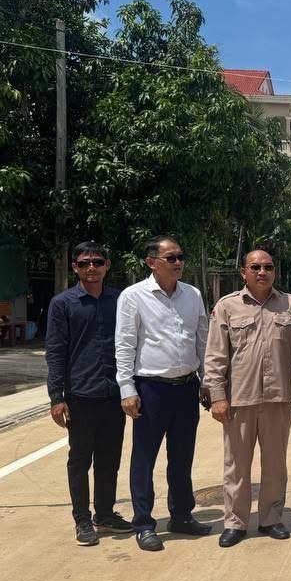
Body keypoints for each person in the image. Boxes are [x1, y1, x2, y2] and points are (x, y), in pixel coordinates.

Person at [203, 248, 291, 548]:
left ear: (275, 271)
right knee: (236, 465)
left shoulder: (290, 305)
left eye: (268, 267)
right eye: (255, 267)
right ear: (243, 272)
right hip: (239, 400)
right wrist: (217, 396)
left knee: (275, 464)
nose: (262, 272)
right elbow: (215, 356)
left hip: (278, 399)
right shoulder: (227, 306)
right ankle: (235, 522)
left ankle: (271, 519)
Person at [115, 236, 212, 552]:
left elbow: (202, 340)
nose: (178, 263)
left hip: (186, 387)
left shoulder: (192, 294)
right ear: (151, 262)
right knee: (144, 458)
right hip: (151, 389)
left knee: (182, 457)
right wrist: (127, 389)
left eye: (181, 257)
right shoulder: (133, 296)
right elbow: (125, 345)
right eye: (171, 258)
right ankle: (144, 523)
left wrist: (207, 381)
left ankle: (181, 516)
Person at [45, 241, 132, 546]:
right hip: (80, 395)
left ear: (107, 265)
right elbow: (55, 351)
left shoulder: (120, 300)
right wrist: (56, 398)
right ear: (75, 267)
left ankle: (105, 514)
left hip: (114, 394)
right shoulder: (63, 304)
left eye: (97, 262)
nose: (91, 268)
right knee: (80, 460)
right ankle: (82, 519)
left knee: (109, 459)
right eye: (84, 263)